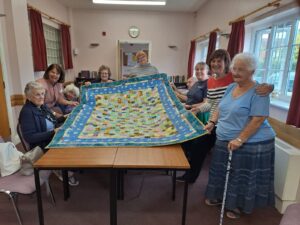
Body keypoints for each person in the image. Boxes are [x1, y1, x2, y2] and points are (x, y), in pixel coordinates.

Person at [177, 49, 273, 183]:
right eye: (213, 61)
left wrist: (269, 86)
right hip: (214, 120)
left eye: (219, 61)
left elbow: (253, 84)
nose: (215, 64)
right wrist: (197, 110)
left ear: (226, 63)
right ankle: (190, 174)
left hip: (226, 123)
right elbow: (210, 103)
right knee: (192, 143)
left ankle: (191, 176)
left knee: (199, 145)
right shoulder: (211, 81)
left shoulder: (232, 78)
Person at [204, 53, 275, 219]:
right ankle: (221, 197)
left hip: (250, 142)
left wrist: (240, 139)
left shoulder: (259, 92)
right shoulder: (231, 87)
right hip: (224, 138)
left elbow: (258, 120)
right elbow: (221, 108)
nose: (235, 72)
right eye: (234, 68)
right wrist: (212, 122)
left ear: (252, 71)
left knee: (240, 176)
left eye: (241, 70)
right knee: (221, 170)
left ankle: (238, 206)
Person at [19, 81, 79, 186]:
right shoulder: (27, 112)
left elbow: (53, 121)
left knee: (75, 135)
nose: (41, 97)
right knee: (70, 145)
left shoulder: (42, 106)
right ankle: (64, 171)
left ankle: (69, 167)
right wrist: (53, 133)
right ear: (28, 97)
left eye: (42, 94)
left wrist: (65, 117)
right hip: (42, 145)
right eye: (37, 94)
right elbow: (30, 137)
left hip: (51, 137)